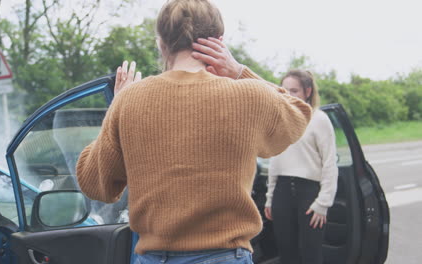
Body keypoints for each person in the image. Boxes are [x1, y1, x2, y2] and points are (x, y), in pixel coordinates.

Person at [76, 0, 312, 263]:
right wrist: (238, 72)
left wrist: (117, 107)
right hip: (226, 257)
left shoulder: (130, 99)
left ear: (161, 44)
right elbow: (299, 113)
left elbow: (94, 184)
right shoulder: (249, 96)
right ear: (219, 42)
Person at [264, 70, 339, 264]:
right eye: (284, 90)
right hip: (282, 193)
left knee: (310, 255)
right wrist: (270, 198)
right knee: (287, 255)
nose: (288, 95)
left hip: (309, 195)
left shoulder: (319, 119)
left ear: (307, 91)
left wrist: (323, 203)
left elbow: (330, 163)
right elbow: (275, 161)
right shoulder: (278, 119)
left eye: (294, 90)